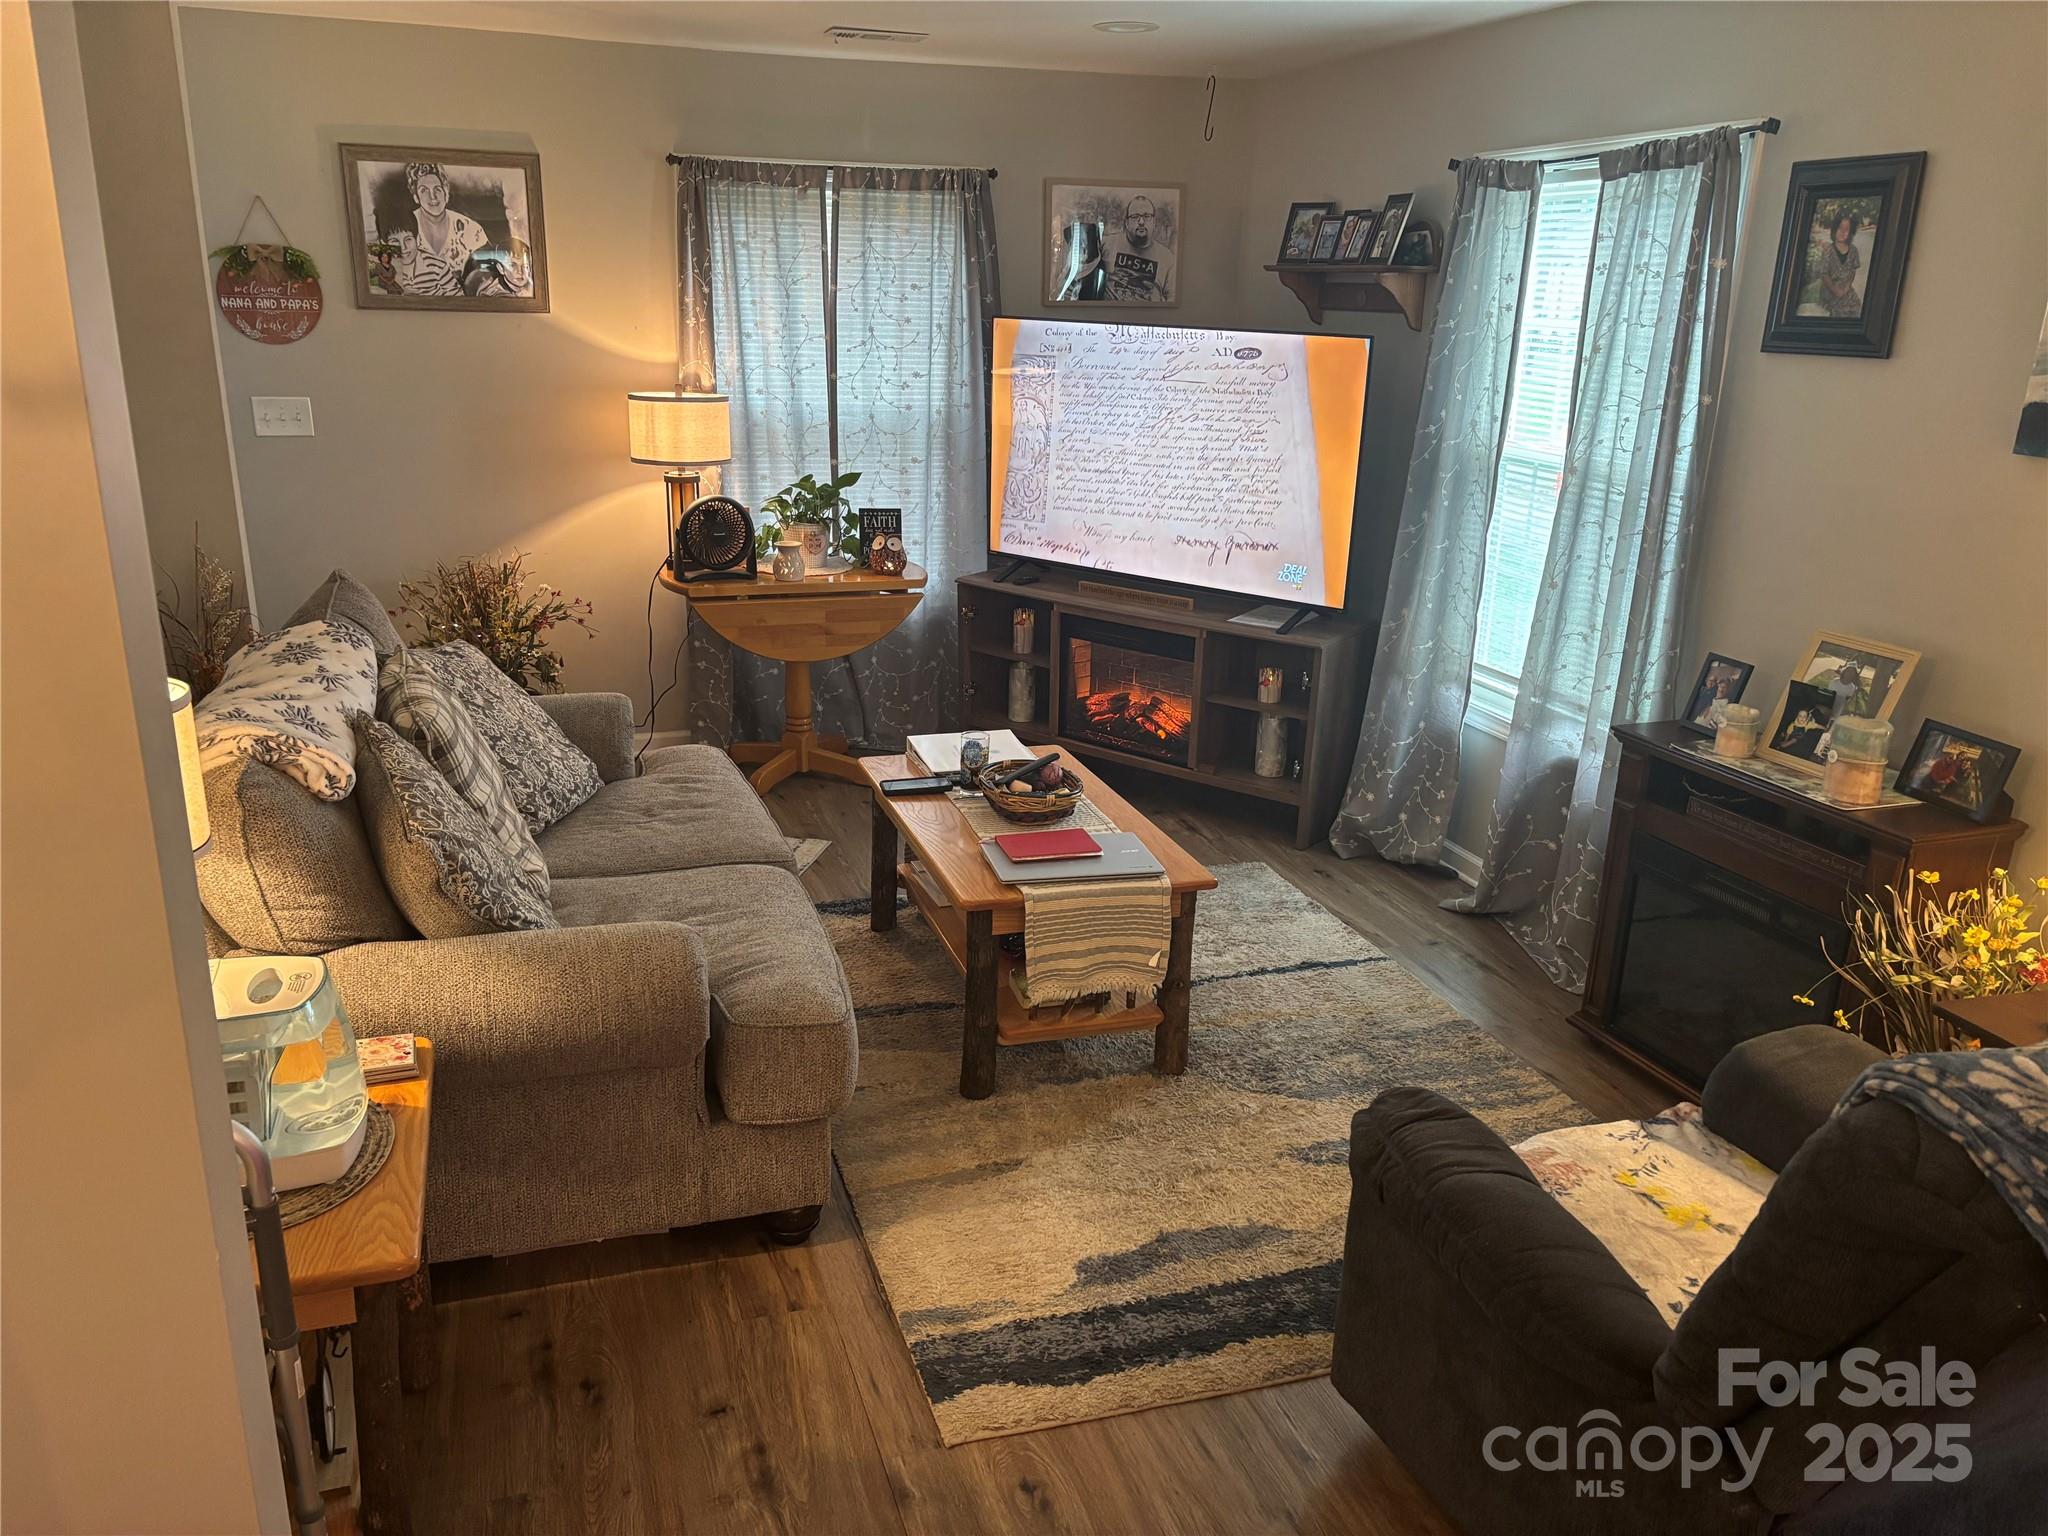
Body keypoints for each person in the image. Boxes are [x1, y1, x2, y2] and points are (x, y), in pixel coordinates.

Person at [386, 162, 489, 298]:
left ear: (446, 192)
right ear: (416, 196)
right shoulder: (404, 228)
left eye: (437, 189)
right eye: (424, 190)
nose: (432, 196)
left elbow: (488, 278)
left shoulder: (472, 230)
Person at [1100, 195, 1176, 303]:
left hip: (1147, 318)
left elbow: (1173, 303)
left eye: (1146, 216)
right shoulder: (1106, 244)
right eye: (1135, 216)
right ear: (1126, 223)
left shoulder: (1168, 259)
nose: (1141, 221)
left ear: (1154, 222)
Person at [1815, 212, 1864, 318]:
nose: (1842, 232)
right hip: (1830, 291)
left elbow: (1852, 271)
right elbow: (1824, 274)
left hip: (1846, 290)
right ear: (1834, 230)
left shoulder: (1853, 250)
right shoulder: (1828, 250)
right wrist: (1835, 290)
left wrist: (1846, 287)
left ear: (1850, 232)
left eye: (1846, 230)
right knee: (1838, 312)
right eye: (1840, 228)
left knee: (1856, 307)